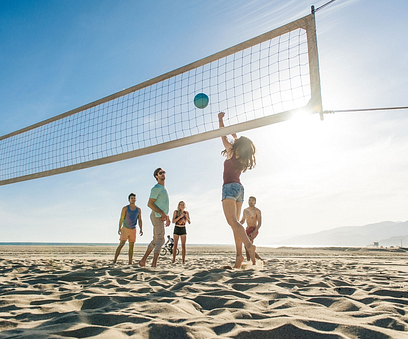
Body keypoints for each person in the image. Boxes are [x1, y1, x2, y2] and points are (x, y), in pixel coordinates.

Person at [218, 112, 257, 268]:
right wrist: (236, 136)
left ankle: (249, 246)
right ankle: (239, 256)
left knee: (233, 222)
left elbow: (222, 136)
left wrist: (220, 120)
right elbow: (235, 140)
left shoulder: (231, 151)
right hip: (240, 189)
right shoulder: (242, 156)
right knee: (235, 225)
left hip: (229, 187)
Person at [138, 168, 170, 268]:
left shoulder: (163, 188)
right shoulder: (156, 188)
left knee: (156, 240)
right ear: (156, 176)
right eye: (160, 173)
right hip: (157, 216)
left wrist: (166, 215)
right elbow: (150, 204)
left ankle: (143, 261)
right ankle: (154, 264)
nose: (163, 174)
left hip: (160, 215)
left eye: (164, 172)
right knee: (161, 240)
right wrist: (162, 213)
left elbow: (162, 204)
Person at [113, 193, 143, 264]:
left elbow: (140, 219)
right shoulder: (125, 208)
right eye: (131, 198)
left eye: (134, 198)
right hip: (125, 228)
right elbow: (121, 218)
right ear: (129, 199)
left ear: (136, 199)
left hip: (133, 229)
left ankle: (130, 262)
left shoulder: (138, 209)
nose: (133, 200)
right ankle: (115, 260)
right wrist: (119, 227)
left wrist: (141, 229)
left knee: (131, 246)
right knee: (121, 244)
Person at [240, 196, 263, 262]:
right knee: (246, 246)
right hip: (247, 229)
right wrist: (236, 225)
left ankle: (255, 260)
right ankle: (251, 260)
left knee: (248, 246)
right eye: (249, 200)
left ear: (255, 202)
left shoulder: (257, 211)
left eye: (252, 200)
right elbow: (242, 221)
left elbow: (259, 223)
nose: (251, 202)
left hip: (254, 229)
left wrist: (254, 232)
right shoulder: (245, 210)